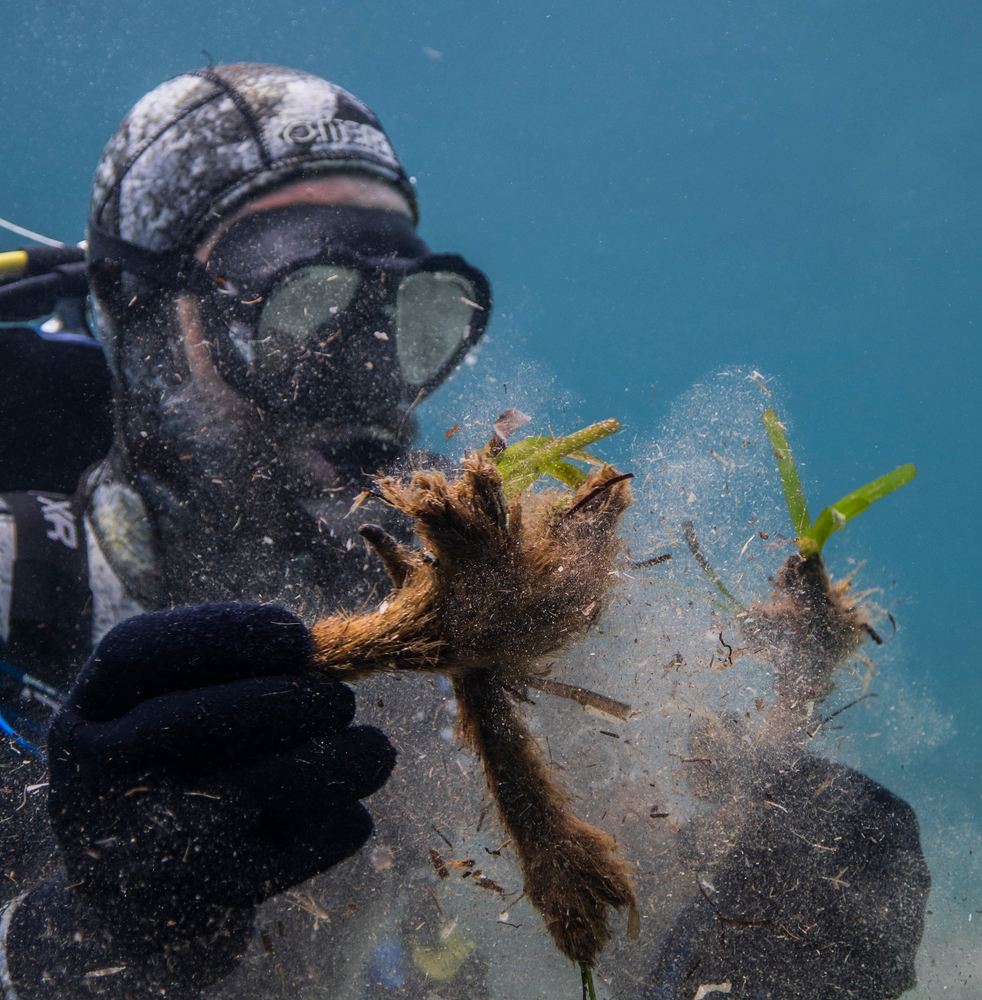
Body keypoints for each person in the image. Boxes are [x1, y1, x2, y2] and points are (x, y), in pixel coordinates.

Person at [0, 63, 929, 1000]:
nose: (367, 383)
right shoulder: (20, 591)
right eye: (302, 312)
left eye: (406, 321)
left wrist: (774, 887)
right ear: (142, 313)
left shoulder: (460, 621)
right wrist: (73, 938)